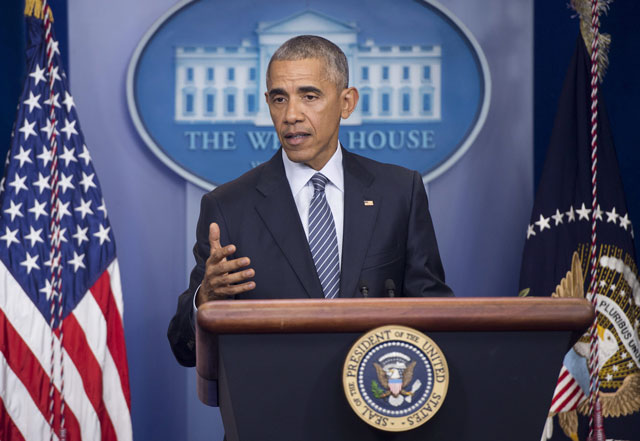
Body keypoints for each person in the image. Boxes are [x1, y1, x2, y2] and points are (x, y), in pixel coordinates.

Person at [167, 35, 453, 367]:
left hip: (378, 401)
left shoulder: (400, 191)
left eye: (309, 96)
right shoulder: (228, 206)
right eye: (279, 99)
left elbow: (435, 315)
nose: (291, 115)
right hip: (274, 407)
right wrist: (206, 299)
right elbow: (183, 349)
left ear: (347, 103)